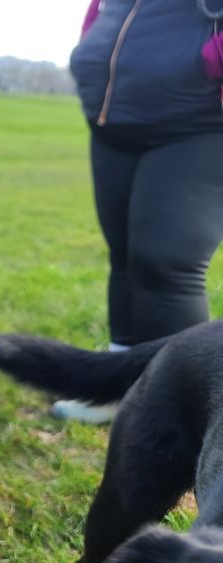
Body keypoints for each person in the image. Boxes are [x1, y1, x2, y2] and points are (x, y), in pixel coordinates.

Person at [56, 0, 223, 422]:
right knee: (125, 257)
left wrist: (208, 58)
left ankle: (184, 420)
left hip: (200, 122)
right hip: (114, 119)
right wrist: (90, 48)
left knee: (165, 266)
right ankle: (122, 391)